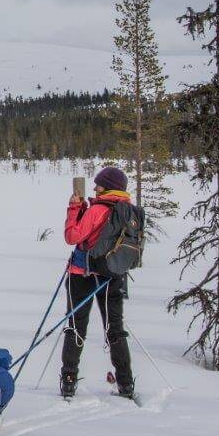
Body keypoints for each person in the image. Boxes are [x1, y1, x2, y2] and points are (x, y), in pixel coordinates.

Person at [61, 166, 135, 399]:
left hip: (83, 273)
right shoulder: (128, 211)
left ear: (109, 186)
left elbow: (72, 236)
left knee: (76, 326)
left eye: (99, 185)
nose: (95, 188)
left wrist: (74, 209)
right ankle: (125, 383)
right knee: (115, 329)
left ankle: (69, 379)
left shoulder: (98, 210)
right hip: (114, 275)